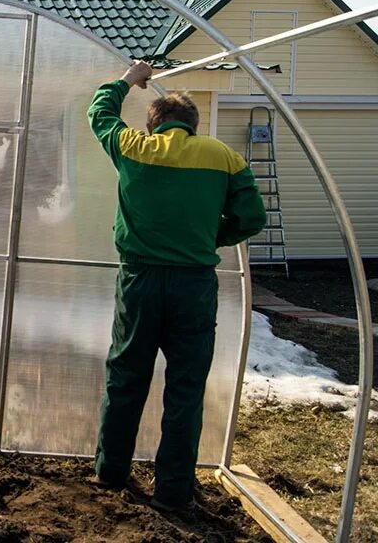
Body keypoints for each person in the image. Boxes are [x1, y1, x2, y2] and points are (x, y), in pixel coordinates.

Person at [87, 61, 265, 511]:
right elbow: (252, 219)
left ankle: (111, 472)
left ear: (155, 124)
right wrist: (209, 235)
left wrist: (129, 78)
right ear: (193, 125)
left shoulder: (133, 147)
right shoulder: (224, 157)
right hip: (193, 285)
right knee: (185, 388)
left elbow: (99, 112)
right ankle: (173, 492)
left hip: (140, 281)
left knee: (127, 377)